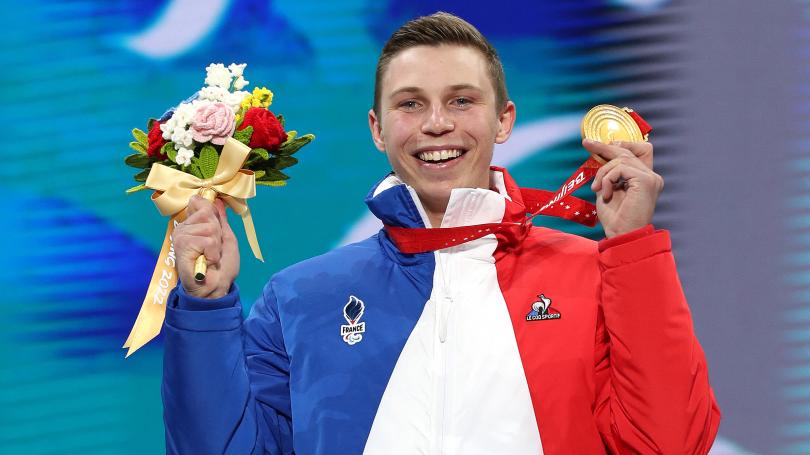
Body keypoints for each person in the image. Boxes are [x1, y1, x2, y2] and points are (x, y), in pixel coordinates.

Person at [163, 12, 721, 455]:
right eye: (411, 104)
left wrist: (631, 250)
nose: (437, 124)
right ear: (378, 129)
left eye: (461, 100)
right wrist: (205, 307)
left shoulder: (595, 277)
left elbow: (671, 443)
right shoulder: (300, 299)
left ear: (504, 120)